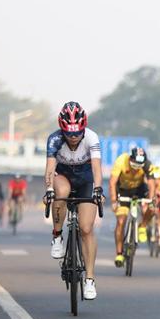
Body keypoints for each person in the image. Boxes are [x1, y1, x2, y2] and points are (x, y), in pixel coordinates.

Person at [44, 102, 103, 300]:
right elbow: (50, 169)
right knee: (61, 191)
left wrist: (98, 189)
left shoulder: (92, 137)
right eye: (69, 133)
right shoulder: (54, 139)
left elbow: (96, 168)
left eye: (77, 132)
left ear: (83, 127)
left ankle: (90, 280)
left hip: (86, 178)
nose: (73, 137)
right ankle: (57, 235)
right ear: (62, 129)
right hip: (64, 176)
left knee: (86, 229)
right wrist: (49, 189)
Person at [110, 146, 156, 267]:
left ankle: (142, 226)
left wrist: (151, 200)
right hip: (123, 191)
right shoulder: (121, 161)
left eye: (139, 166)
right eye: (134, 165)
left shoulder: (148, 164)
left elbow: (152, 184)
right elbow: (112, 182)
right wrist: (114, 201)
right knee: (121, 221)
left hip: (139, 189)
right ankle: (119, 253)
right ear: (130, 159)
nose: (136, 169)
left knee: (152, 208)